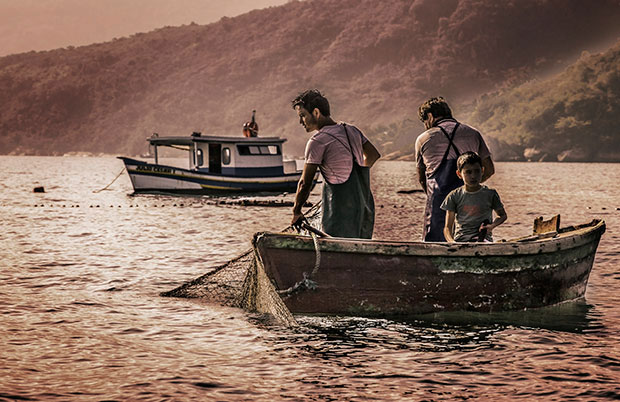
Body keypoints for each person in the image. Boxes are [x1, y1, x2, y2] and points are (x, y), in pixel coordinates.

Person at [291, 89, 381, 238]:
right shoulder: (352, 130)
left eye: (302, 116)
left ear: (316, 112)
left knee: (335, 248)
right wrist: (355, 174)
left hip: (340, 211)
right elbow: (373, 155)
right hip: (364, 206)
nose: (301, 121)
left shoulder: (317, 141)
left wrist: (296, 211)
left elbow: (305, 183)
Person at [415, 96, 495, 241]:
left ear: (430, 116)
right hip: (473, 202)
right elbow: (489, 169)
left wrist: (437, 199)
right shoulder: (473, 133)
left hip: (439, 203)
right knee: (475, 240)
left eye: (425, 121)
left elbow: (421, 178)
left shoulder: (423, 139)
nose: (426, 125)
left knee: (436, 244)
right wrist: (472, 186)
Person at [441, 152, 507, 242]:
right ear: (459, 174)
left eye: (477, 171)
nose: (473, 176)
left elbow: (502, 215)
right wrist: (452, 242)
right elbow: (447, 228)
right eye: (468, 172)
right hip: (461, 241)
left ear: (482, 171)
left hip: (483, 240)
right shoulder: (454, 196)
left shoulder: (490, 194)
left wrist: (491, 226)